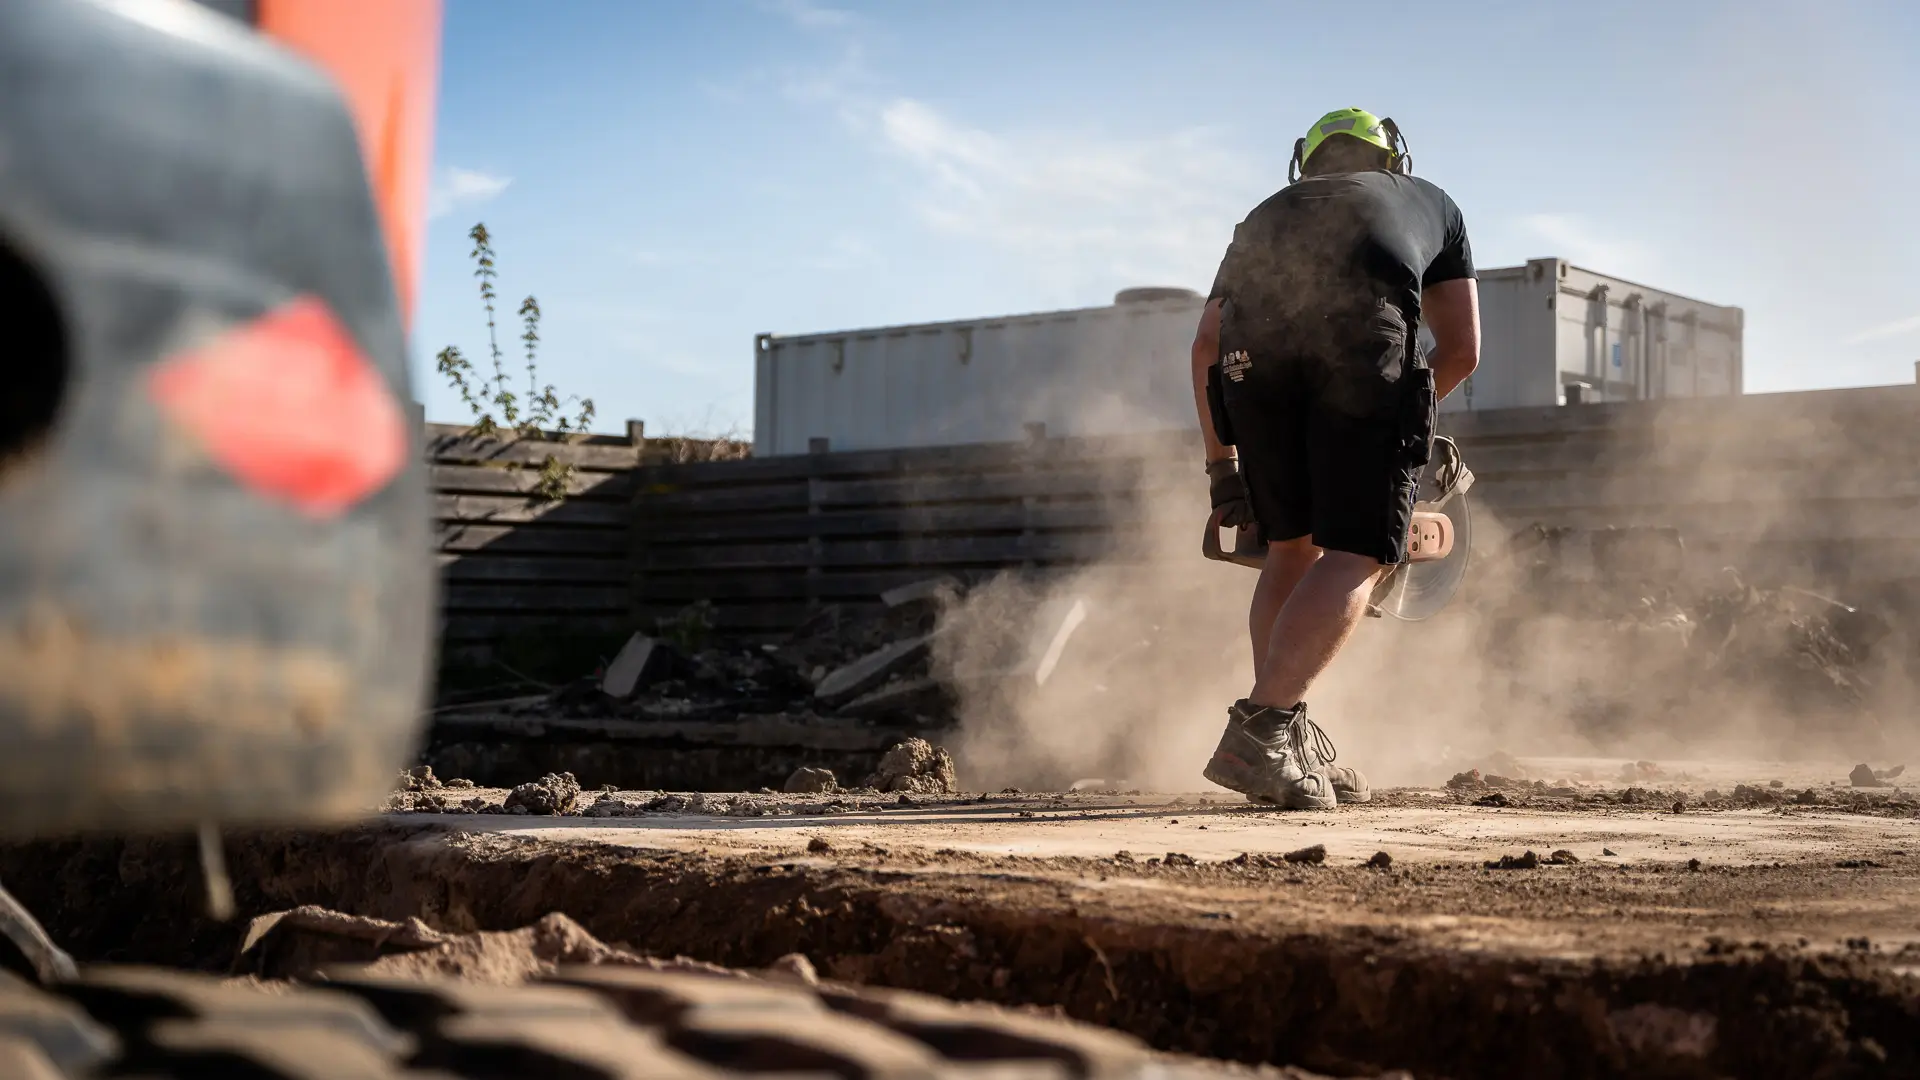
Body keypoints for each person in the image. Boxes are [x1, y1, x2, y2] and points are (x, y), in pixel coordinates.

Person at [1189, 107, 1481, 809]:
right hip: (1360, 345)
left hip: (1249, 367)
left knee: (1290, 549)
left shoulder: (1265, 212)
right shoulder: (1431, 203)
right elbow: (1463, 349)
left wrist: (1220, 466)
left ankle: (1282, 746)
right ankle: (1260, 735)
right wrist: (1404, 416)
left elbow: (1205, 343)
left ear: (1306, 162)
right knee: (1358, 552)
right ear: (1391, 161)